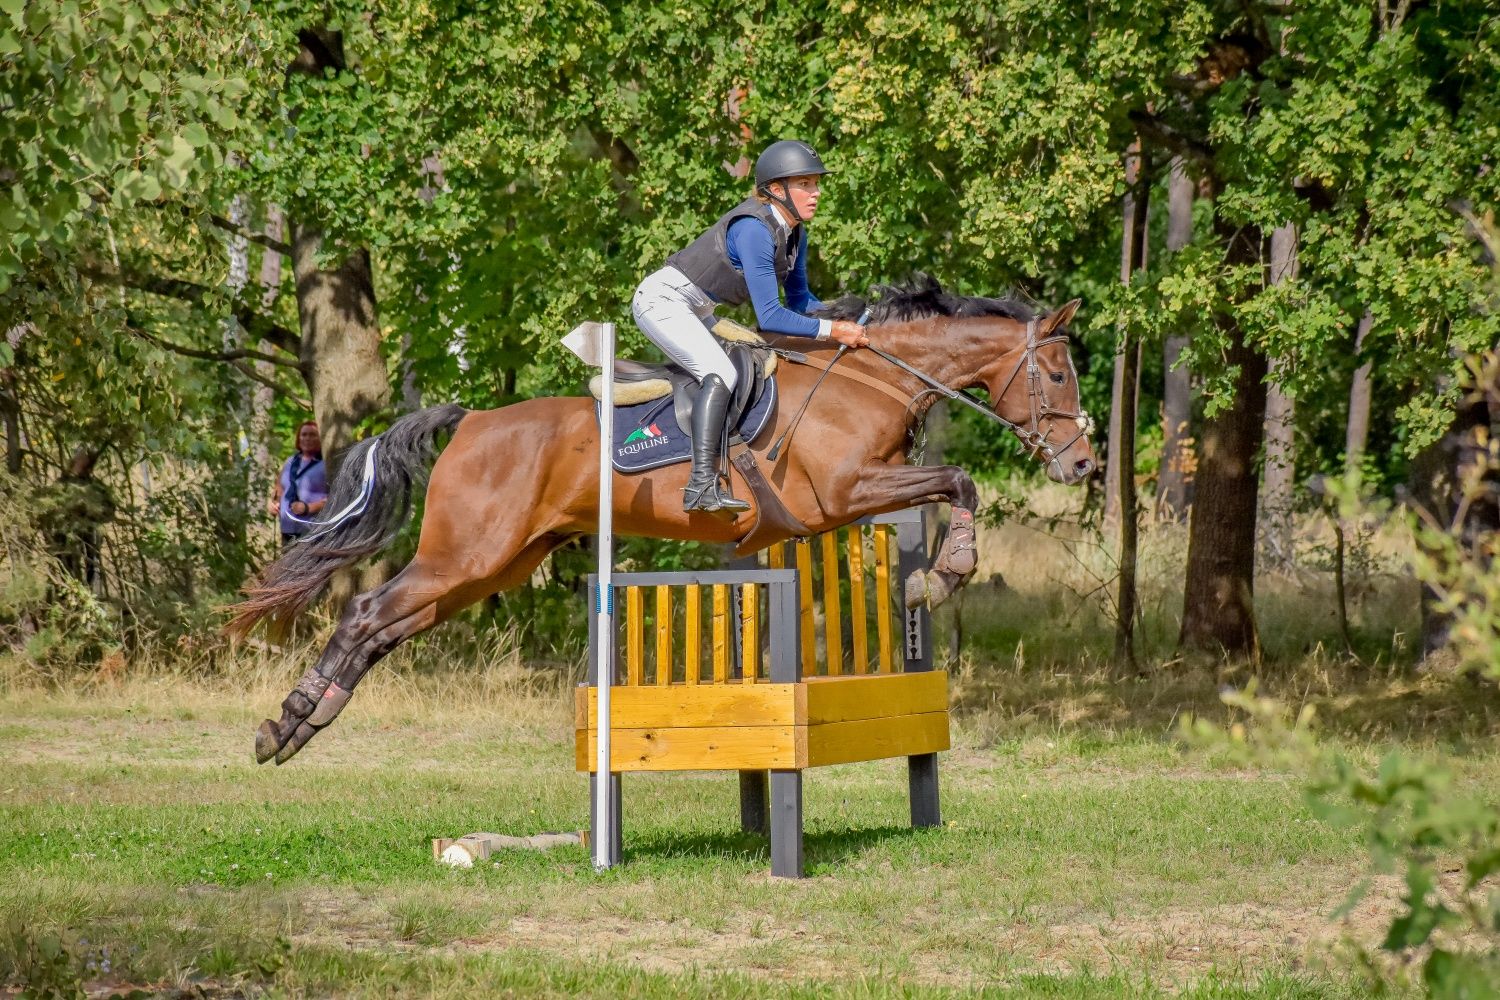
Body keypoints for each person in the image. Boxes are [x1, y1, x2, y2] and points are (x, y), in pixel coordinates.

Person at [633, 139, 870, 514]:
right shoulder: (754, 230)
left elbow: (801, 302)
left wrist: (851, 316)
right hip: (664, 301)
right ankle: (699, 487)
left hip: (698, 308)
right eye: (805, 184)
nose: (816, 192)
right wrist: (833, 331)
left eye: (815, 184)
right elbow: (771, 317)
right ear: (776, 190)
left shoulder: (794, 234)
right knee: (722, 373)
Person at [267, 420, 328, 545]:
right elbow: (279, 489)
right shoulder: (290, 462)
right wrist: (272, 503)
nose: (307, 438)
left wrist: (309, 508)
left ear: (320, 438)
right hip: (287, 531)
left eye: (312, 435)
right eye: (304, 435)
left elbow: (336, 499)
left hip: (313, 531)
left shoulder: (326, 464)